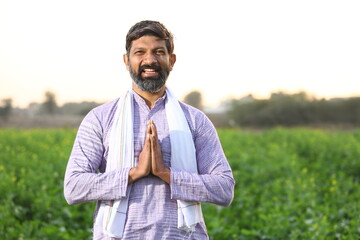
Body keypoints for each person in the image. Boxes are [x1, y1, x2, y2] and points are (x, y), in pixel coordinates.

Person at [64, 20, 235, 240]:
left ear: (171, 60)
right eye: (140, 52)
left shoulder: (195, 120)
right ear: (126, 61)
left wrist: (166, 173)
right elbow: (73, 187)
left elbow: (224, 189)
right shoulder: (101, 118)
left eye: (158, 52)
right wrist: (134, 173)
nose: (150, 60)